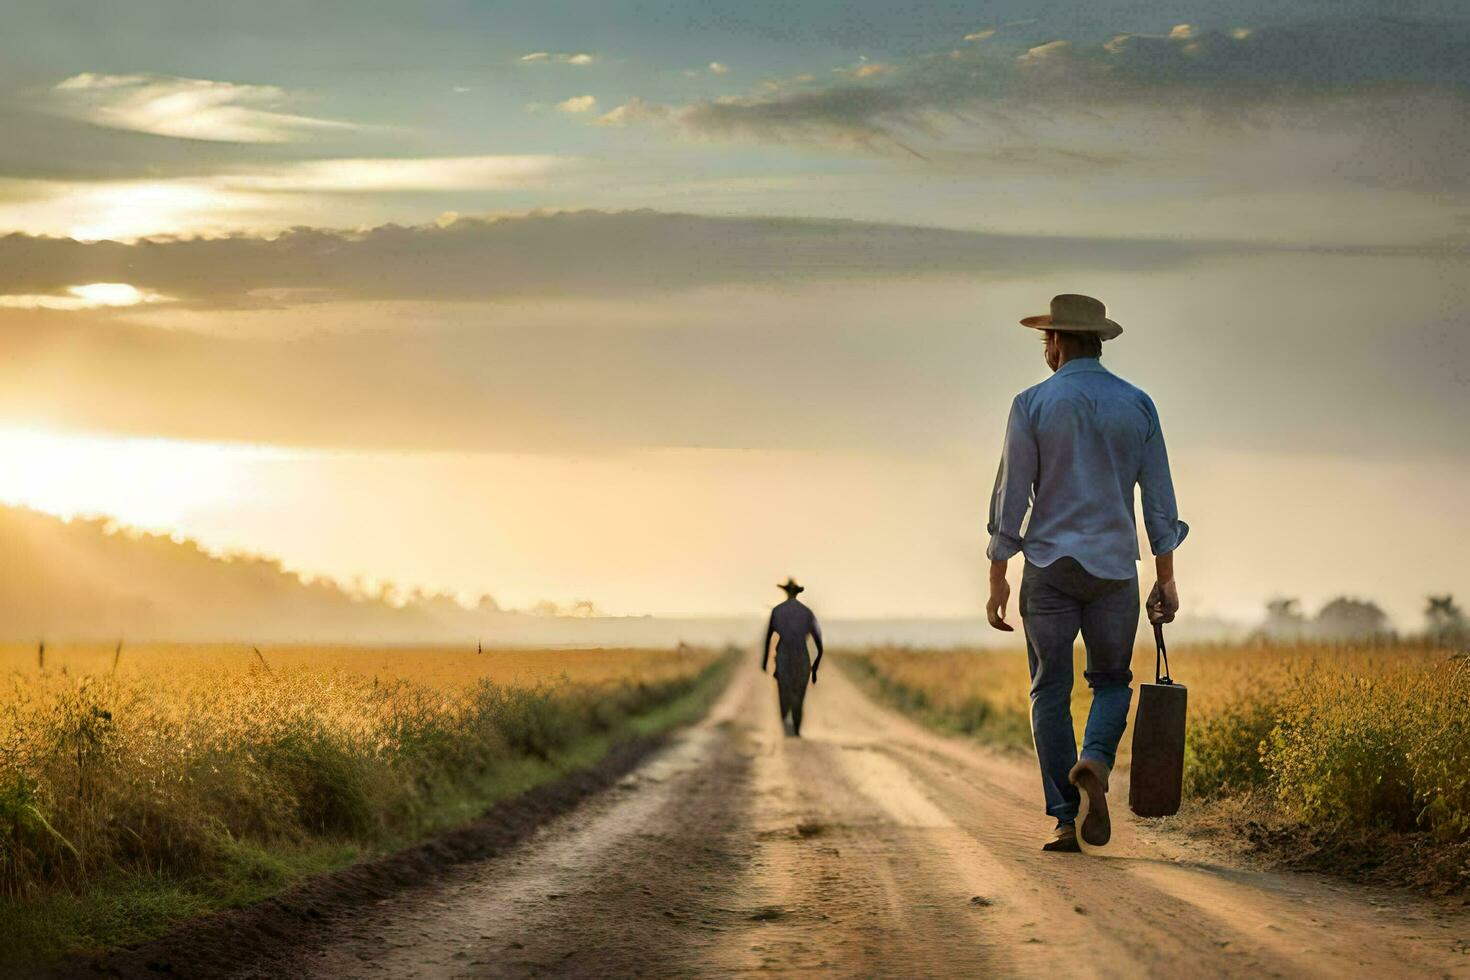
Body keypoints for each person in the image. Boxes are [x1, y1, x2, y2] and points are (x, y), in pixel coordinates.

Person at [984, 294, 1187, 854]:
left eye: (1047, 340)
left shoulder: (1032, 403)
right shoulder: (1137, 404)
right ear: (1097, 340)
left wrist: (999, 574)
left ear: (1058, 342)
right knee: (1112, 682)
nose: (1045, 349)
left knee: (1049, 689)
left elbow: (1012, 497)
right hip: (1115, 571)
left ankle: (1062, 819)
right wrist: (1164, 578)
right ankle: (1094, 760)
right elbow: (1159, 501)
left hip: (1048, 567)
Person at [761, 579, 824, 737]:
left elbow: (768, 637)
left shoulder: (777, 611)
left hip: (784, 654)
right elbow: (819, 643)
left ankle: (786, 728)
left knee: (784, 691)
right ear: (797, 592)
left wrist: (764, 662)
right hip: (802, 655)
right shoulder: (807, 612)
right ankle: (796, 729)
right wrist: (815, 668)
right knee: (799, 693)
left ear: (785, 592)